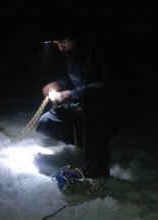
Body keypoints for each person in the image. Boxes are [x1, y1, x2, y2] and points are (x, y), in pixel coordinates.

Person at [35, 34, 114, 178]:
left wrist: (71, 94)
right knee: (45, 123)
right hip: (79, 107)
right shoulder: (70, 54)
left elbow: (102, 83)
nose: (60, 48)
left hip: (103, 109)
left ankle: (96, 166)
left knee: (91, 103)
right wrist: (59, 84)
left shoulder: (95, 52)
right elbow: (76, 79)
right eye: (56, 44)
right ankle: (90, 143)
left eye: (62, 42)